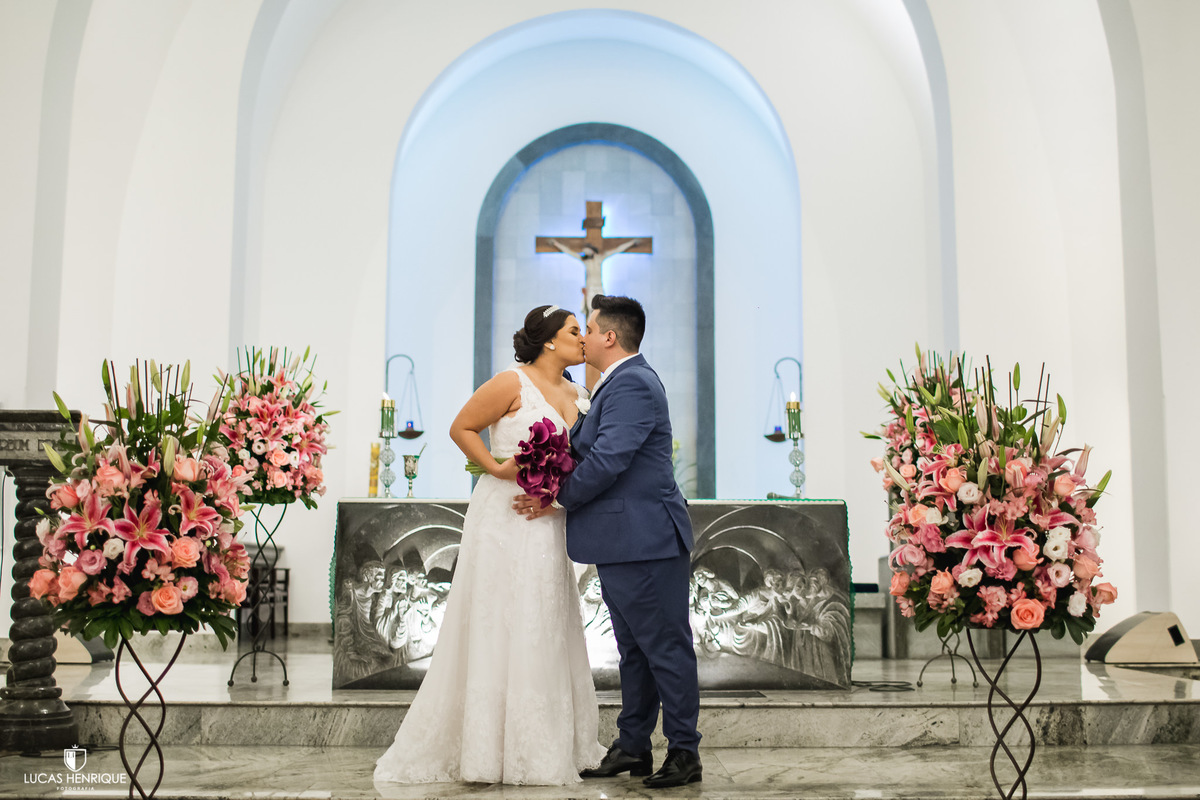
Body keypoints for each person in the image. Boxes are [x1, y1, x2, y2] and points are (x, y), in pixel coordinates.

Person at [374, 305, 606, 786]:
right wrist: (497, 467)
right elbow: (461, 427)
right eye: (574, 331)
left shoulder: (580, 394)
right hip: (503, 515)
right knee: (498, 618)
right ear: (549, 340)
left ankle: (546, 745)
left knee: (543, 618)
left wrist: (559, 495)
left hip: (549, 518)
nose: (582, 338)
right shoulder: (510, 383)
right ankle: (486, 749)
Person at [516, 294, 702, 788]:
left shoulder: (634, 383)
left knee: (665, 647)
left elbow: (608, 460)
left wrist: (556, 496)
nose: (584, 337)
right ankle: (634, 746)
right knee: (634, 651)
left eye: (590, 328)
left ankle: (684, 751)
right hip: (625, 539)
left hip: (646, 538)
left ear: (610, 337)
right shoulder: (613, 383)